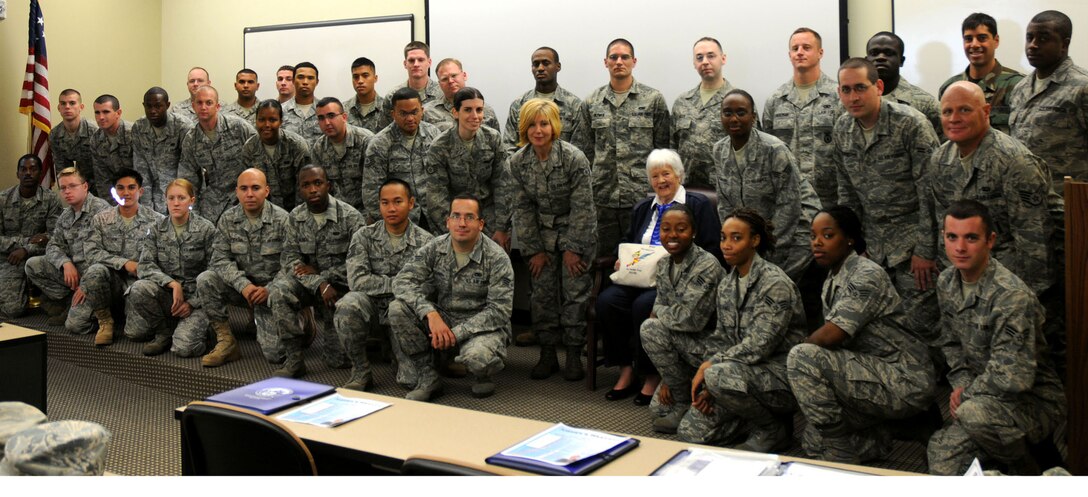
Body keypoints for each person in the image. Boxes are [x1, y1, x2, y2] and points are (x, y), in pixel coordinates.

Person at [788, 206, 936, 464]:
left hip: (902, 377)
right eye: (813, 236)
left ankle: (842, 450)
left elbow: (832, 335)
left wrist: (800, 351)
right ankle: (899, 426)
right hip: (870, 372)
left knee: (802, 358)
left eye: (827, 235)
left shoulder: (864, 274)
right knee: (813, 442)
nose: (817, 243)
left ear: (850, 239)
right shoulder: (835, 275)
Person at [927, 200, 1065, 475]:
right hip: (981, 396)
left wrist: (967, 394)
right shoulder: (946, 282)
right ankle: (999, 458)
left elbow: (1013, 377)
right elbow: (951, 343)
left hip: (1032, 401)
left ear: (990, 241)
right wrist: (962, 384)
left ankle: (1029, 471)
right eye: (952, 237)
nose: (960, 248)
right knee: (941, 458)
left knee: (972, 416)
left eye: (971, 238)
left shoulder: (1011, 297)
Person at [597, 150, 721, 404]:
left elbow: (712, 248)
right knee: (607, 301)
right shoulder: (644, 208)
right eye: (655, 176)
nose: (661, 180)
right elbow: (629, 240)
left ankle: (652, 375)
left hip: (675, 283)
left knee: (644, 306)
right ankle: (626, 370)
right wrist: (621, 258)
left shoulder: (697, 206)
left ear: (679, 175)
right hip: (638, 277)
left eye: (666, 174)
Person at [831, 58, 940, 344]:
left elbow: (931, 192)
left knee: (921, 327)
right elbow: (847, 193)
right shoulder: (842, 129)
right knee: (879, 328)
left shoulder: (911, 124)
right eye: (845, 90)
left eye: (860, 88)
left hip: (912, 245)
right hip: (872, 246)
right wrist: (855, 246)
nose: (853, 97)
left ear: (878, 86)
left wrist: (926, 251)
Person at [686, 209, 807, 449]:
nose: (726, 245)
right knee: (691, 433)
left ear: (755, 241)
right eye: (723, 237)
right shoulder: (727, 284)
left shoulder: (775, 283)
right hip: (740, 372)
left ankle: (774, 428)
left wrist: (712, 368)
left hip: (781, 375)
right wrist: (712, 385)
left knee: (715, 374)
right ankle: (748, 418)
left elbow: (760, 346)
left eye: (736, 238)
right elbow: (722, 339)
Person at [931, 82, 1059, 297]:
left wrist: (1028, 298)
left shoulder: (1014, 162)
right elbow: (944, 226)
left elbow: (1035, 242)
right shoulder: (939, 160)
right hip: (964, 278)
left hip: (1010, 280)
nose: (954, 119)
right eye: (947, 112)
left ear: (986, 111)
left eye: (965, 110)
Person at [389, 194, 514, 401]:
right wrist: (430, 313)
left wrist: (456, 334)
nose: (462, 223)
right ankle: (429, 378)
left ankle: (482, 376)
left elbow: (499, 311)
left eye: (469, 217)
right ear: (447, 222)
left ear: (481, 224)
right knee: (397, 308)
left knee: (478, 358)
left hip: (481, 326)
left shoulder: (497, 257)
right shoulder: (435, 248)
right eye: (456, 216)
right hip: (443, 319)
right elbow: (402, 281)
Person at [508, 99, 596, 380]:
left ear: (554, 125)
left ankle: (572, 353)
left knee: (575, 294)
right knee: (542, 295)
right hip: (541, 235)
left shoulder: (573, 158)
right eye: (532, 124)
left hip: (575, 231)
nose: (538, 130)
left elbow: (584, 207)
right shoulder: (518, 162)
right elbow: (522, 208)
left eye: (543, 123)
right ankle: (547, 354)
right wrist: (533, 251)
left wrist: (573, 248)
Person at [334, 178, 434, 391]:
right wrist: (401, 283)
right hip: (372, 310)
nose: (391, 208)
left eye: (398, 201)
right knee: (348, 305)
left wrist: (394, 289)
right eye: (385, 203)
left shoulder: (426, 242)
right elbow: (357, 281)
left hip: (404, 314)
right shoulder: (364, 236)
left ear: (411, 203)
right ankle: (361, 371)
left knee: (411, 381)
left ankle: (399, 353)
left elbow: (427, 287)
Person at [268, 165, 364, 378]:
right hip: (310, 285)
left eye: (318, 183)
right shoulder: (295, 217)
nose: (312, 189)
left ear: (328, 185)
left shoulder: (350, 217)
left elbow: (357, 263)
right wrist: (320, 282)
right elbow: (290, 260)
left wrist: (327, 280)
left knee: (338, 361)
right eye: (306, 185)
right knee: (279, 291)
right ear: (300, 190)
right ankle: (295, 359)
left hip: (339, 290)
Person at [713, 89, 818, 281]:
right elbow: (725, 204)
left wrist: (766, 248)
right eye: (727, 113)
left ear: (753, 117)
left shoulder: (774, 149)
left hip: (794, 233)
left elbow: (789, 207)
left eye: (741, 112)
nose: (734, 118)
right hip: (753, 236)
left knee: (773, 284)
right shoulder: (719, 150)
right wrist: (734, 239)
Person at [638, 204, 725, 435]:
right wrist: (668, 375)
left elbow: (690, 320)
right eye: (666, 229)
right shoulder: (664, 264)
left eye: (681, 228)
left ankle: (691, 397)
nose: (673, 235)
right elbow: (659, 306)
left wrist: (662, 313)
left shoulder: (706, 265)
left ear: (693, 232)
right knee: (658, 414)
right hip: (680, 346)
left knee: (651, 328)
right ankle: (682, 394)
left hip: (709, 348)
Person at [582, 38, 671, 257]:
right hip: (603, 197)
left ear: (634, 61)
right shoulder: (592, 102)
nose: (619, 61)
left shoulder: (653, 99)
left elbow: (663, 149)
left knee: (643, 258)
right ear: (606, 62)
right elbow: (585, 151)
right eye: (613, 57)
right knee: (606, 258)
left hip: (642, 196)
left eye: (625, 57)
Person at [197, 168, 290, 367]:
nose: (249, 194)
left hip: (271, 293)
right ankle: (226, 340)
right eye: (244, 188)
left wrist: (269, 290)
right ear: (237, 192)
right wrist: (244, 286)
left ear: (266, 191)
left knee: (277, 355)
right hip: (243, 290)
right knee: (206, 279)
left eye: (255, 188)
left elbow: (291, 264)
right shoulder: (228, 219)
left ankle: (301, 318)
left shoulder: (283, 220)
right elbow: (220, 260)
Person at [126, 179, 216, 357]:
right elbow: (145, 266)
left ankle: (205, 332)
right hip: (169, 295)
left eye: (181, 198)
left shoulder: (206, 229)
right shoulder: (156, 229)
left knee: (183, 349)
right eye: (171, 198)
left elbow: (215, 271)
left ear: (192, 200)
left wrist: (192, 303)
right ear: (165, 200)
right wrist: (172, 284)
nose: (175, 203)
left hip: (198, 299)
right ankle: (164, 332)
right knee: (138, 291)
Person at [75, 168, 164, 346]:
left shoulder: (157, 221)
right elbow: (92, 253)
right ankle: (105, 321)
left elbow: (161, 259)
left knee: (137, 334)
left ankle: (124, 312)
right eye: (120, 188)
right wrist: (124, 263)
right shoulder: (101, 219)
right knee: (76, 324)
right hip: (108, 281)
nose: (126, 193)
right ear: (115, 192)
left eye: (131, 188)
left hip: (137, 284)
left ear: (140, 191)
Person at [420, 87, 511, 250]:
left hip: (489, 215)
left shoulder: (493, 139)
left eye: (479, 110)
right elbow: (436, 195)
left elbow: (503, 185)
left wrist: (502, 227)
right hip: (455, 217)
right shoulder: (440, 146)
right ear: (455, 112)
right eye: (468, 110)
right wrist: (453, 228)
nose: (475, 116)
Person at [762, 28, 843, 207]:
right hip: (789, 199)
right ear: (789, 54)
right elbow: (767, 153)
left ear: (820, 53)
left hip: (831, 199)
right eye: (795, 48)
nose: (799, 52)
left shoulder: (838, 96)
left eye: (806, 47)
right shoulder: (776, 100)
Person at [1009, 9, 1088, 190]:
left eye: (1043, 39)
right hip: (1026, 201)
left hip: (1069, 203)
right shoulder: (1020, 88)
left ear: (1064, 44)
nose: (1033, 45)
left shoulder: (1082, 86)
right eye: (1029, 38)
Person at [23, 167, 110, 326]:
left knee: (75, 325)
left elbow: (110, 253)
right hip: (74, 272)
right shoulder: (67, 215)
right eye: (63, 188)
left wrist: (86, 284)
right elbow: (53, 245)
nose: (67, 191)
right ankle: (69, 303)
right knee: (33, 265)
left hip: (96, 276)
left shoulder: (102, 211)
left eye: (72, 186)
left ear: (85, 186)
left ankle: (96, 310)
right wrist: (65, 263)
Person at [177, 85, 257, 223]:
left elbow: (258, 152)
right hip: (214, 199)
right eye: (199, 103)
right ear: (193, 106)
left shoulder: (238, 127)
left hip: (244, 194)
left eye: (209, 103)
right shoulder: (191, 139)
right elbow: (189, 180)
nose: (203, 107)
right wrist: (192, 214)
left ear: (218, 106)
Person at [361, 88, 442, 225]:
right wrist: (393, 224)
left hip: (436, 216)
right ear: (393, 114)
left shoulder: (434, 134)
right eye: (403, 113)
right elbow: (371, 194)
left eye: (414, 112)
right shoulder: (379, 144)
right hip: (401, 221)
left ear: (422, 110)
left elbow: (444, 178)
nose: (410, 118)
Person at [937, 13, 1025, 133]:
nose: (974, 44)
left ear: (996, 41)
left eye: (982, 38)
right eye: (968, 39)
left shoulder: (1018, 85)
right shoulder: (950, 88)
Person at [0, 155, 61, 320]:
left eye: (33, 169)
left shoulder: (51, 199)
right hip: (8, 258)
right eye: (23, 169)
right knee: (13, 310)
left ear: (41, 173)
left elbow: (55, 235)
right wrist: (25, 243)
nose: (28, 173)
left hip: (37, 256)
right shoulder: (2, 199)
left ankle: (46, 298)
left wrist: (27, 250)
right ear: (17, 174)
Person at [670, 37, 735, 189]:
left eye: (711, 56)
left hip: (726, 187)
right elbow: (672, 147)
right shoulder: (682, 102)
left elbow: (753, 148)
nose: (705, 61)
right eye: (699, 57)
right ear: (694, 63)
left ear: (723, 58)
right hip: (687, 188)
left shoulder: (737, 101)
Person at [503, 47, 586, 156]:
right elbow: (509, 146)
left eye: (546, 63)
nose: (540, 68)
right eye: (536, 64)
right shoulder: (519, 104)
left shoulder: (574, 105)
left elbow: (578, 149)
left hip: (563, 170)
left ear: (558, 66)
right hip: (524, 170)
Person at [866, 32, 943, 139]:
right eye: (874, 53)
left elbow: (945, 148)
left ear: (901, 61)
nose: (881, 58)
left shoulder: (926, 104)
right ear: (866, 60)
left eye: (889, 53)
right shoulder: (854, 101)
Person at [240, 100, 311, 211]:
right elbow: (248, 186)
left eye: (272, 120)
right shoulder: (249, 148)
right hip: (263, 211)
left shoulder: (296, 145)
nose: (266, 125)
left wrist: (297, 216)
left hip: (295, 209)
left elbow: (303, 185)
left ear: (281, 121)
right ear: (256, 121)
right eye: (261, 120)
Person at [131, 87, 192, 214]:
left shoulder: (182, 126)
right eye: (149, 106)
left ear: (167, 105)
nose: (153, 111)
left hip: (179, 194)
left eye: (158, 106)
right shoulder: (139, 127)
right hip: (151, 193)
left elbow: (187, 168)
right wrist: (147, 207)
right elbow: (141, 168)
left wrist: (178, 200)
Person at [310, 97, 374, 213]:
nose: (327, 122)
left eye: (331, 116)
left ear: (344, 117)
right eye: (321, 118)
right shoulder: (319, 148)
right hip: (335, 214)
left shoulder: (366, 141)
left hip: (366, 213)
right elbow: (320, 188)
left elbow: (375, 185)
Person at [422, 58, 501, 133]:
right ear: (439, 84)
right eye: (445, 79)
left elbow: (496, 143)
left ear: (464, 76)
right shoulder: (428, 112)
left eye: (454, 76)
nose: (450, 81)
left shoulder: (485, 110)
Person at [50, 89, 98, 195]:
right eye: (63, 103)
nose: (67, 107)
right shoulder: (55, 134)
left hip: (99, 183)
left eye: (72, 103)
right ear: (59, 108)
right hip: (77, 187)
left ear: (81, 107)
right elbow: (62, 169)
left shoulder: (94, 131)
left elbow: (103, 166)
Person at [88, 95, 134, 204]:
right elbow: (102, 179)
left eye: (106, 112)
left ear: (118, 113)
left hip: (138, 194)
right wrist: (112, 206)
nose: (101, 117)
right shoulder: (96, 139)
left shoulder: (133, 133)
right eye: (97, 113)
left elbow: (143, 173)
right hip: (115, 195)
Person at [344, 57, 392, 133]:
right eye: (356, 77)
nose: (360, 81)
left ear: (375, 78)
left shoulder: (387, 108)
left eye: (365, 75)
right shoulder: (343, 110)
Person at [282, 62, 323, 143]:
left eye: (310, 78)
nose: (305, 82)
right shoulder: (280, 111)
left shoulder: (324, 110)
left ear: (317, 82)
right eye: (300, 77)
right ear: (293, 80)